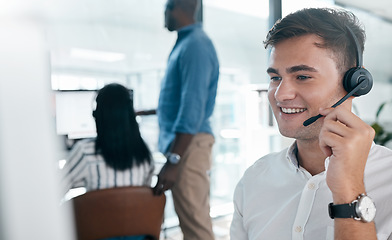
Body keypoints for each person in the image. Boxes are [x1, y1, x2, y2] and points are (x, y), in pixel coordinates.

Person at [230, 8, 392, 240]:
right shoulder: (254, 179)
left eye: (302, 76)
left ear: (357, 83)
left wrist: (350, 188)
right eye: (275, 78)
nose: (280, 94)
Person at [137, 0, 219, 239]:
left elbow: (192, 107)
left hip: (188, 146)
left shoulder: (195, 46)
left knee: (196, 226)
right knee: (190, 221)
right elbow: (181, 101)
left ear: (177, 8)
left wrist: (174, 160)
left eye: (165, 10)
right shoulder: (187, 42)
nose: (164, 17)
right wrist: (147, 112)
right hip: (186, 143)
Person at [62, 83, 154, 195]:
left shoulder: (85, 152)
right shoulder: (144, 153)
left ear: (98, 116)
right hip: (137, 213)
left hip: (97, 213)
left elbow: (54, 190)